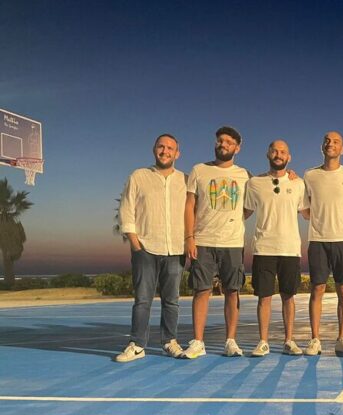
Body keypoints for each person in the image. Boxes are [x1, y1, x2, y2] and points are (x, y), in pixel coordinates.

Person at [115, 134, 187, 362]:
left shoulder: (185, 180)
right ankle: (137, 345)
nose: (165, 151)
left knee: (172, 300)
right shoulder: (139, 176)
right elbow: (127, 209)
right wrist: (135, 242)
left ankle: (169, 341)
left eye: (170, 148)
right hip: (145, 248)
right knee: (143, 300)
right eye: (161, 147)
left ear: (177, 154)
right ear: (154, 149)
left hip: (175, 249)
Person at [182, 126, 250, 359]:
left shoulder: (244, 175)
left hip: (232, 242)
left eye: (229, 142)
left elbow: (248, 207)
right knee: (201, 290)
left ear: (237, 148)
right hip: (203, 241)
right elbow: (189, 205)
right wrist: (189, 237)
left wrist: (233, 220)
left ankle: (230, 341)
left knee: (232, 291)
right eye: (220, 141)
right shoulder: (199, 170)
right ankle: (198, 342)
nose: (223, 144)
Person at [245, 140, 306, 357]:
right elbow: (244, 211)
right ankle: (263, 342)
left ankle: (289, 341)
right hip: (264, 248)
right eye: (274, 151)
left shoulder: (298, 184)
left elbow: (307, 212)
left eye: (283, 152)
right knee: (264, 297)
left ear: (288, 157)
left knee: (288, 296)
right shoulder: (253, 183)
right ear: (268, 153)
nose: (278, 154)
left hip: (290, 248)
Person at [300, 132, 343, 356]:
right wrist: (315, 217)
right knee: (318, 289)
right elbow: (303, 207)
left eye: (336, 142)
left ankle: (341, 339)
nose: (330, 144)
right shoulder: (310, 175)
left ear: (342, 149)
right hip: (318, 240)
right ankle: (315, 340)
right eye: (327, 140)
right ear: (322, 146)